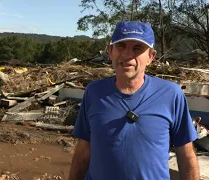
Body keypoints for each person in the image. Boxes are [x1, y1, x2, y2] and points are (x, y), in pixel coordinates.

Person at [68, 21, 200, 180]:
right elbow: (83, 150)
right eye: (121, 46)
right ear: (110, 51)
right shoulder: (94, 92)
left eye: (137, 48)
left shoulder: (171, 94)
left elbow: (186, 155)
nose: (127, 54)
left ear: (151, 57)